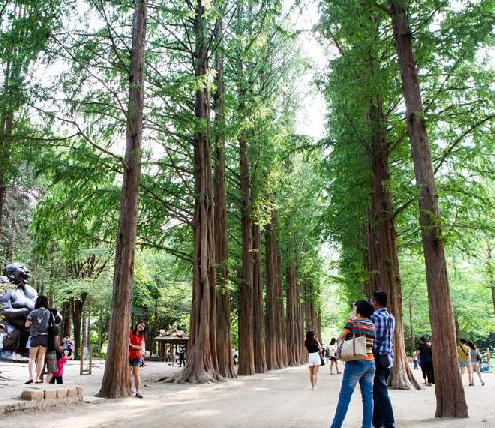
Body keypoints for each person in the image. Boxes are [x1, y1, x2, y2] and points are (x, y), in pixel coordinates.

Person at [329, 300, 376, 428]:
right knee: (368, 397)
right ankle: (367, 426)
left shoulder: (353, 322)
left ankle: (335, 426)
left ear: (358, 310)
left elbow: (341, 337)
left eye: (355, 308)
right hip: (370, 362)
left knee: (345, 396)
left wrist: (351, 319)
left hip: (355, 362)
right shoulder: (372, 325)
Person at [370, 291, 396, 428]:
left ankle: (389, 423)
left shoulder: (373, 317)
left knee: (381, 393)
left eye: (371, 300)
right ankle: (377, 422)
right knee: (378, 392)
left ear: (375, 301)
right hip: (387, 360)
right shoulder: (391, 317)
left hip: (376, 359)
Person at [25, 295, 50, 384]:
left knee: (32, 358)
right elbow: (51, 325)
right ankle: (38, 378)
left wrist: (32, 323)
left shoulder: (33, 312)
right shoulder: (48, 312)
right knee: (41, 358)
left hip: (35, 337)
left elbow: (27, 325)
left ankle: (31, 377)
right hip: (45, 337)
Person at [129, 321, 146, 398]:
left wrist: (132, 345)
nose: (141, 326)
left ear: (143, 329)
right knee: (128, 374)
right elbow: (127, 342)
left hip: (137, 356)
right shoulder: (130, 332)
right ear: (137, 324)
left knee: (136, 374)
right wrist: (135, 346)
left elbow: (141, 348)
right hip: (127, 355)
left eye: (143, 326)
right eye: (140, 324)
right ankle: (129, 389)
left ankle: (138, 391)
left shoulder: (142, 336)